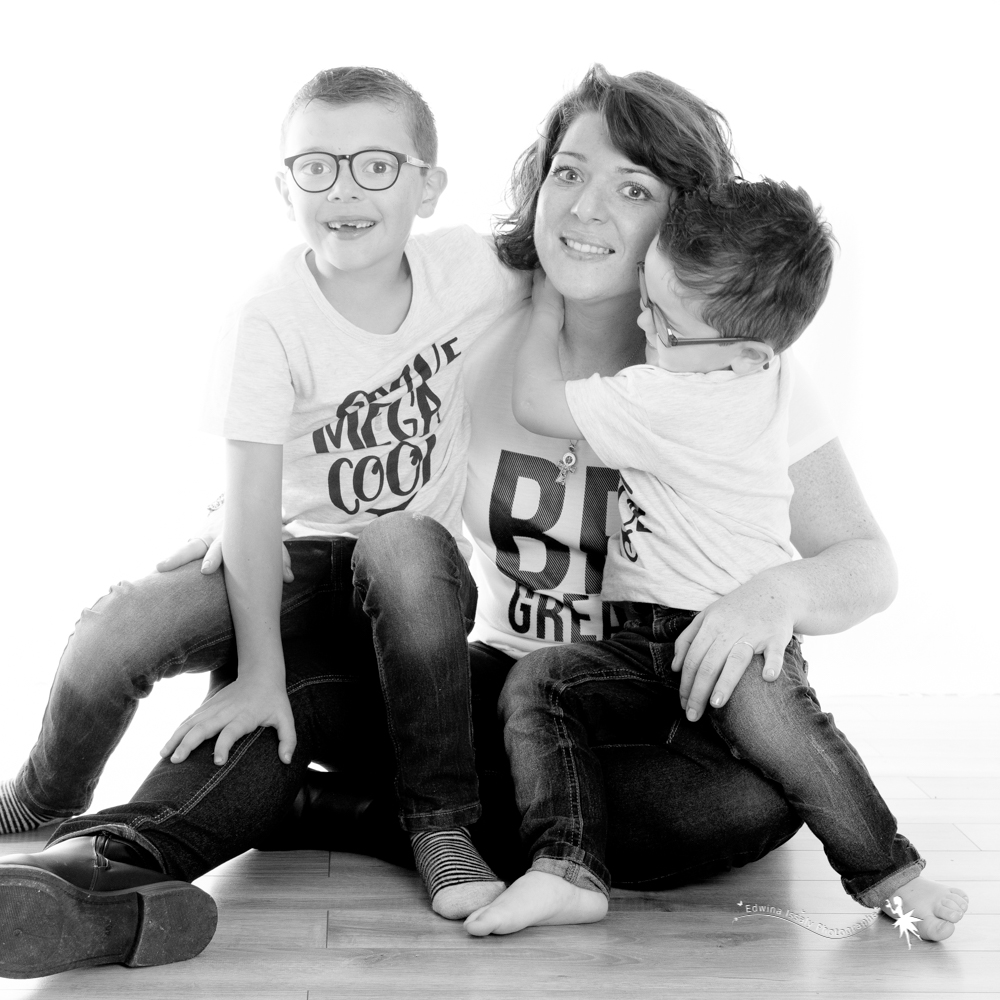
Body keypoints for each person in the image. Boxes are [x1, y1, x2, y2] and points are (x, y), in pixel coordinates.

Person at [1, 65, 955, 981]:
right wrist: (244, 511)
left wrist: (774, 594)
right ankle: (96, 875)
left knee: (743, 803)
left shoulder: (738, 373)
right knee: (294, 688)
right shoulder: (478, 316)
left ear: (684, 222)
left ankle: (344, 812)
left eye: (632, 189)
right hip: (487, 688)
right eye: (567, 174)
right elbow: (337, 400)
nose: (583, 210)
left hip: (654, 711)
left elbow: (866, 564)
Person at [0, 62, 527, 953]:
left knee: (402, 539)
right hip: (289, 560)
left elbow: (580, 254)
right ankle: (43, 805)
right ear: (285, 189)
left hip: (410, 586)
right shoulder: (267, 317)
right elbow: (249, 510)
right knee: (121, 629)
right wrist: (259, 676)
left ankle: (440, 824)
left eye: (376, 165)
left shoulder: (470, 269)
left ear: (428, 187)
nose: (345, 189)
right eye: (316, 166)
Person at [462, 178, 968, 938]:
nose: (645, 321)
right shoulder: (768, 375)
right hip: (640, 641)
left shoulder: (662, 393)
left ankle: (560, 860)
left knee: (787, 746)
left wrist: (542, 315)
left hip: (727, 636)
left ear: (746, 353)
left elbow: (536, 403)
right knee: (799, 748)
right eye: (647, 294)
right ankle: (892, 879)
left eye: (664, 322)